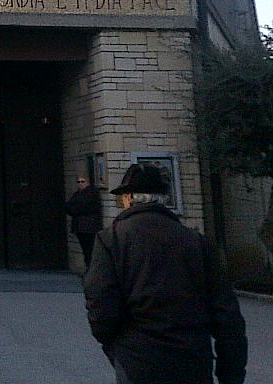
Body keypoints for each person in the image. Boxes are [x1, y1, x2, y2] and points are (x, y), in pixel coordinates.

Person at [84, 164, 247, 384]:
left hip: (138, 359)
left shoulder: (112, 240)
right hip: (192, 359)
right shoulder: (196, 241)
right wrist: (231, 374)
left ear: (129, 198)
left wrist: (115, 347)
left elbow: (101, 305)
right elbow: (226, 314)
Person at [65, 174, 102, 267]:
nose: (80, 184)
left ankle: (90, 268)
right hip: (80, 226)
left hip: (89, 227)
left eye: (82, 181)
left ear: (88, 182)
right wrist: (74, 209)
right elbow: (69, 206)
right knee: (85, 249)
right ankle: (88, 267)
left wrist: (75, 209)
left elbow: (85, 208)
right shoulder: (77, 194)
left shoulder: (92, 193)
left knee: (90, 249)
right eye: (78, 182)